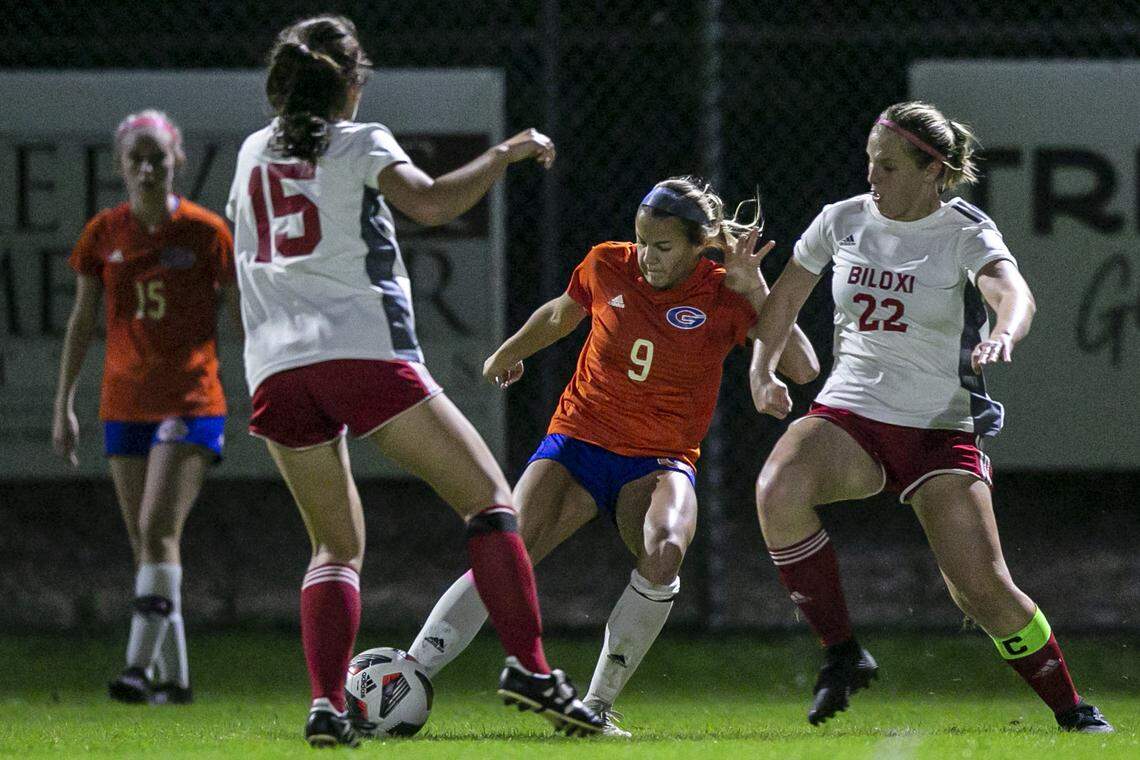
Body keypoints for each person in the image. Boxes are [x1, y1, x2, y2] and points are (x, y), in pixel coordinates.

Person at [225, 14, 602, 747]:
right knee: (491, 504)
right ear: (351, 84)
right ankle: (529, 669)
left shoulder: (248, 154)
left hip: (275, 369)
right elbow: (430, 202)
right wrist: (507, 152)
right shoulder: (360, 140)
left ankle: (328, 707)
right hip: (362, 354)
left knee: (334, 548)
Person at [405, 176, 819, 736]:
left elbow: (802, 367)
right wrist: (507, 352)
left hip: (659, 458)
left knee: (666, 547)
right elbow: (560, 314)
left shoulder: (725, 290)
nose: (648, 256)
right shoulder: (608, 263)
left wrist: (756, 288)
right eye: (643, 241)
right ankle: (410, 673)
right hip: (579, 438)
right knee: (507, 545)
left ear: (701, 244)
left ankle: (594, 707)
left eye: (664, 246)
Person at [748, 100, 1114, 733]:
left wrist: (1005, 330)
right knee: (777, 488)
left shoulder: (965, 231)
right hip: (852, 414)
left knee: (982, 590)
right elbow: (784, 299)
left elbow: (1013, 293)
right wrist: (762, 369)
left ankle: (1072, 709)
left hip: (939, 433)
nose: (872, 178)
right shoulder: (842, 221)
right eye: (869, 163)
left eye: (887, 167)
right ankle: (841, 654)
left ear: (933, 171)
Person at [52, 110, 240, 705]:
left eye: (157, 156)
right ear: (120, 167)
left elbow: (240, 312)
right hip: (123, 402)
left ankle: (135, 670)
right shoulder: (104, 233)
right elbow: (83, 320)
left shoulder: (207, 232)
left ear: (177, 160)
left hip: (191, 399)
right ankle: (176, 681)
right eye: (136, 158)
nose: (147, 166)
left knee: (158, 530)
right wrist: (65, 402)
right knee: (148, 546)